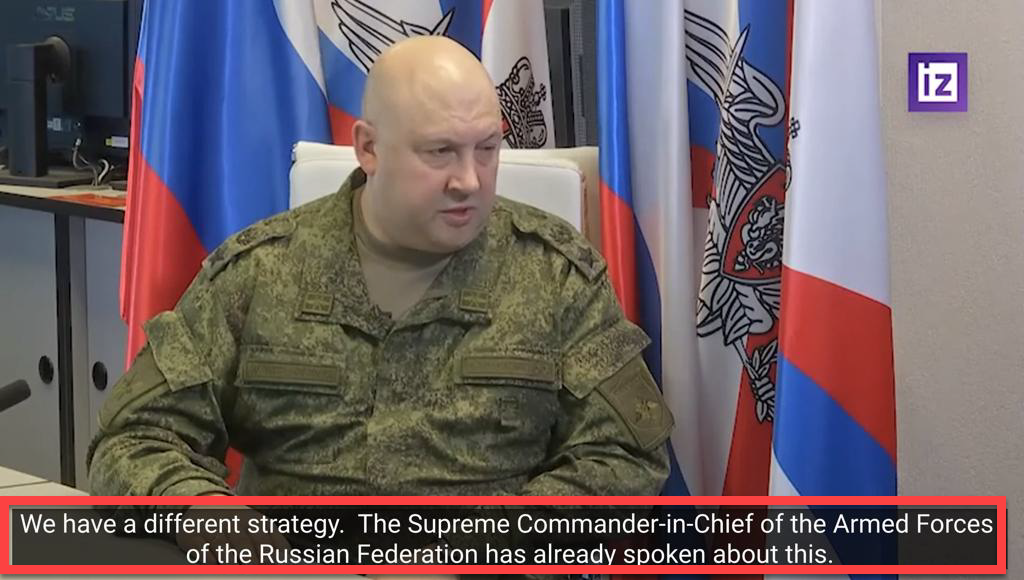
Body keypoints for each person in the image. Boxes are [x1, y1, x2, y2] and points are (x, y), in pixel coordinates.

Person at [88, 36, 671, 503]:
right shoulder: (261, 272)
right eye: (440, 152)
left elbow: (626, 455)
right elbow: (133, 439)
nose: (469, 180)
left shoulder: (555, 276)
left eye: (487, 149)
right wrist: (217, 523)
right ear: (368, 148)